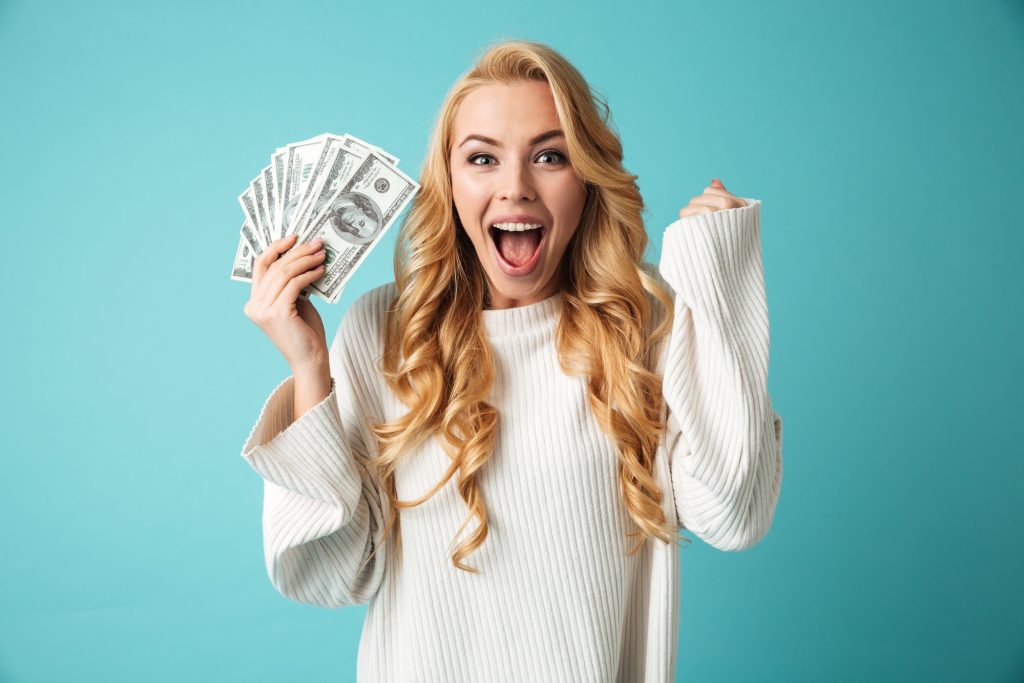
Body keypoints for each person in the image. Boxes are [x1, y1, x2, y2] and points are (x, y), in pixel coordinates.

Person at [240, 39, 783, 682]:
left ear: (586, 178)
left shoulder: (645, 329)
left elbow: (735, 512)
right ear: (450, 181)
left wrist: (717, 272)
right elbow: (330, 575)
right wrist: (310, 369)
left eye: (549, 156)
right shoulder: (387, 332)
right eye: (482, 159)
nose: (515, 189)